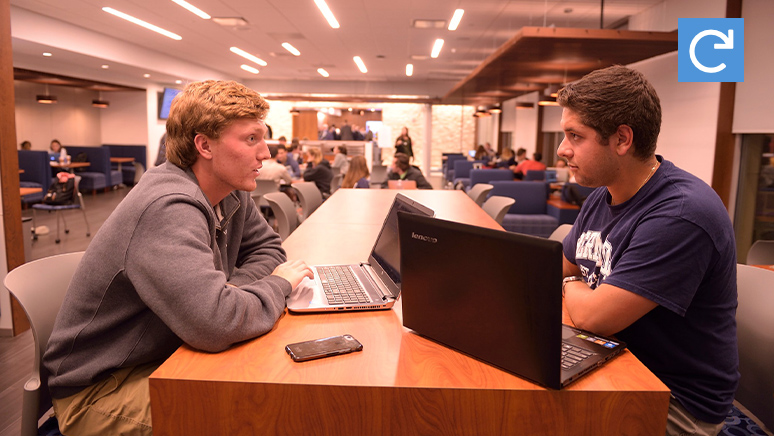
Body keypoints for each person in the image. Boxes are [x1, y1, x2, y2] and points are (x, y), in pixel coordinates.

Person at [42, 80, 313, 436]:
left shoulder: (229, 190)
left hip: (163, 355)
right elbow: (215, 324)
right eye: (251, 139)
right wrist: (275, 284)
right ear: (204, 145)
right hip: (101, 391)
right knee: (257, 415)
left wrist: (229, 292)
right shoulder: (167, 207)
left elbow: (269, 251)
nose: (265, 152)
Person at [556, 65, 738, 436]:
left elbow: (594, 318)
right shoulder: (601, 197)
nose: (562, 149)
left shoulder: (682, 213)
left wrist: (571, 283)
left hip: (674, 401)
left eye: (575, 136)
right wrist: (571, 282)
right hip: (617, 362)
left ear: (622, 139)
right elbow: (552, 266)